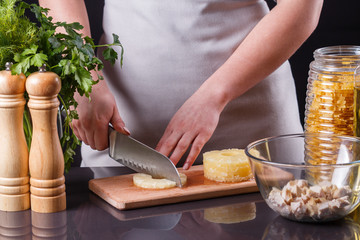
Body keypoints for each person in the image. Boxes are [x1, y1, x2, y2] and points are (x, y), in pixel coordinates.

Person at [39, 0, 323, 170]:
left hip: (252, 137)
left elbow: (302, 6)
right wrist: (84, 73)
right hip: (126, 141)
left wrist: (214, 96)